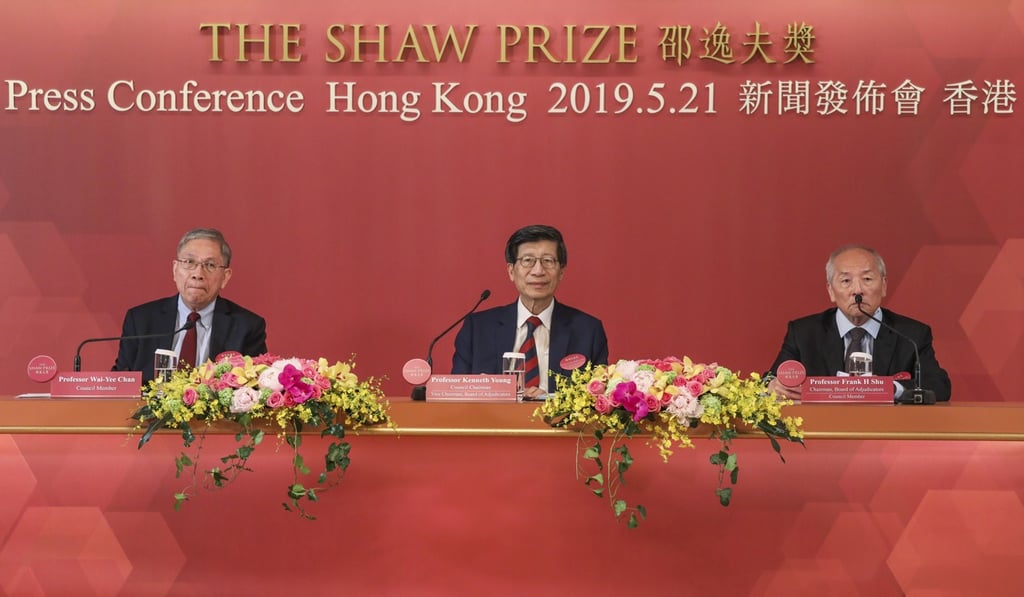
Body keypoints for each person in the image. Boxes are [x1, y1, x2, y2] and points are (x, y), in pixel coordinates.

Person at [766, 244, 951, 402]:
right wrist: (773, 387)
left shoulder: (912, 334)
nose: (857, 290)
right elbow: (768, 381)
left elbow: (939, 386)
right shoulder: (804, 333)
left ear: (884, 285)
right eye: (846, 281)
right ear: (831, 290)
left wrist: (889, 388)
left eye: (867, 279)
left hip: (886, 434)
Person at [452, 224, 609, 399]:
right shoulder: (478, 328)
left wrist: (548, 399)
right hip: (493, 424)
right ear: (511, 271)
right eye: (528, 260)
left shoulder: (587, 330)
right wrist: (484, 390)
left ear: (561, 272)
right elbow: (457, 397)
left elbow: (597, 398)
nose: (538, 271)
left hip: (557, 426)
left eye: (548, 261)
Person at [113, 228, 267, 381]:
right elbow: (120, 381)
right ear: (175, 269)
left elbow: (253, 388)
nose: (198, 274)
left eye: (210, 265)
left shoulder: (247, 327)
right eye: (189, 262)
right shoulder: (141, 320)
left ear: (225, 277)